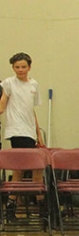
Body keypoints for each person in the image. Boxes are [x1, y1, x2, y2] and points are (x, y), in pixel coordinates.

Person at [0, 52, 45, 217]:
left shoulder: (34, 85)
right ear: (13, 68)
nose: (20, 70)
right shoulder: (9, 83)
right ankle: (38, 205)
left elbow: (30, 110)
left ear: (29, 67)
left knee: (27, 169)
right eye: (17, 67)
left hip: (29, 131)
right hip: (16, 131)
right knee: (29, 167)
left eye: (23, 67)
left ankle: (14, 203)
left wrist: (38, 133)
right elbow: (2, 104)